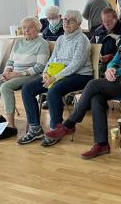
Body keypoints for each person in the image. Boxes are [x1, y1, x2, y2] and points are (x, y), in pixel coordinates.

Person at [45, 14, 121, 158]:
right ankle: (101, 144)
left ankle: (68, 124)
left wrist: (118, 70)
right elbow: (112, 61)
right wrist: (110, 69)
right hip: (118, 81)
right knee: (96, 98)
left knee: (93, 84)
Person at [18, 9, 93, 147]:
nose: (66, 23)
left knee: (54, 90)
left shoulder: (82, 39)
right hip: (58, 73)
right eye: (64, 20)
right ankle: (35, 128)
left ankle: (55, 129)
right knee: (27, 88)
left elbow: (75, 65)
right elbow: (53, 58)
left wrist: (55, 78)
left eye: (70, 20)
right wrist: (46, 72)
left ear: (78, 23)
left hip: (80, 75)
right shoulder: (61, 38)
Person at [0, 16, 50, 129]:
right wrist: (6, 72)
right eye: (24, 28)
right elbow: (10, 61)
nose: (26, 30)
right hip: (13, 73)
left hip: (31, 75)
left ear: (38, 28)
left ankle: (10, 124)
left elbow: (40, 68)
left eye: (30, 27)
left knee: (5, 87)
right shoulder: (18, 42)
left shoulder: (42, 43)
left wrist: (17, 74)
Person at [91, 8, 121, 73]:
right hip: (97, 60)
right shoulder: (98, 31)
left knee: (100, 69)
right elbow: (91, 46)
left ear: (115, 19)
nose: (107, 24)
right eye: (104, 21)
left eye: (109, 21)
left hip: (113, 62)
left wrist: (110, 56)